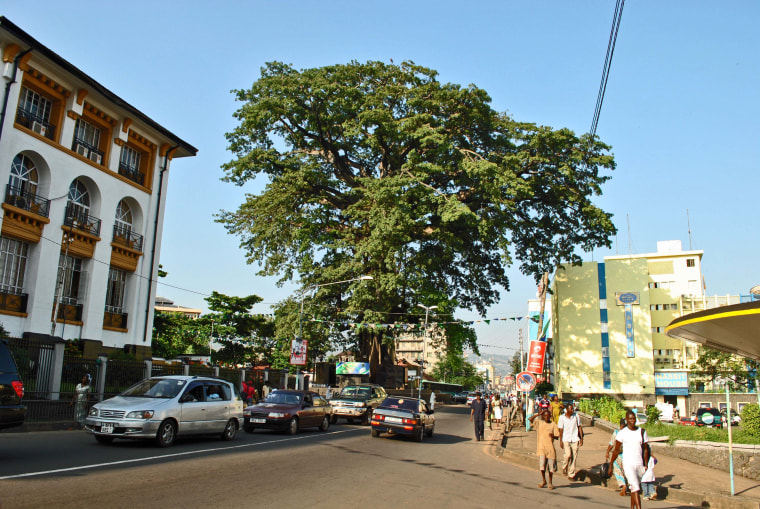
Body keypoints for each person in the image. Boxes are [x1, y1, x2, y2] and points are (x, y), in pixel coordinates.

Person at [608, 410, 650, 509]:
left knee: (634, 488)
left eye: (634, 418)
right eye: (630, 419)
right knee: (635, 487)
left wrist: (646, 464)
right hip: (628, 464)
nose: (632, 421)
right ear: (626, 420)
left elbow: (645, 449)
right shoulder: (622, 433)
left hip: (639, 464)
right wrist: (611, 464)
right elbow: (616, 450)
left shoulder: (642, 432)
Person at [529, 409, 560, 490]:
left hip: (550, 448)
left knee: (550, 468)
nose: (546, 417)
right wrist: (539, 414)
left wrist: (552, 436)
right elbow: (530, 419)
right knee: (542, 466)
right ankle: (543, 480)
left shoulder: (553, 424)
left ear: (550, 416)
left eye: (548, 415)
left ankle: (550, 482)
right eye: (545, 415)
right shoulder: (540, 423)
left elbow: (557, 436)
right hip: (541, 448)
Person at [558, 403, 584, 480]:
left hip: (575, 438)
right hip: (566, 438)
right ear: (567, 410)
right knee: (568, 455)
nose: (573, 410)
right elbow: (561, 430)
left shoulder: (576, 416)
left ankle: (571, 474)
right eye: (571, 409)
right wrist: (560, 441)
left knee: (574, 456)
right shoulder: (562, 417)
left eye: (573, 409)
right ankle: (564, 466)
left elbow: (579, 427)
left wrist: (581, 439)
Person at [606, 418, 629, 496]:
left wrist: (607, 452)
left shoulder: (617, 432)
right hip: (627, 455)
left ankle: (623, 485)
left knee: (618, 471)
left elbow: (612, 443)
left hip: (618, 455)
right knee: (626, 471)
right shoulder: (629, 432)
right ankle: (627, 485)